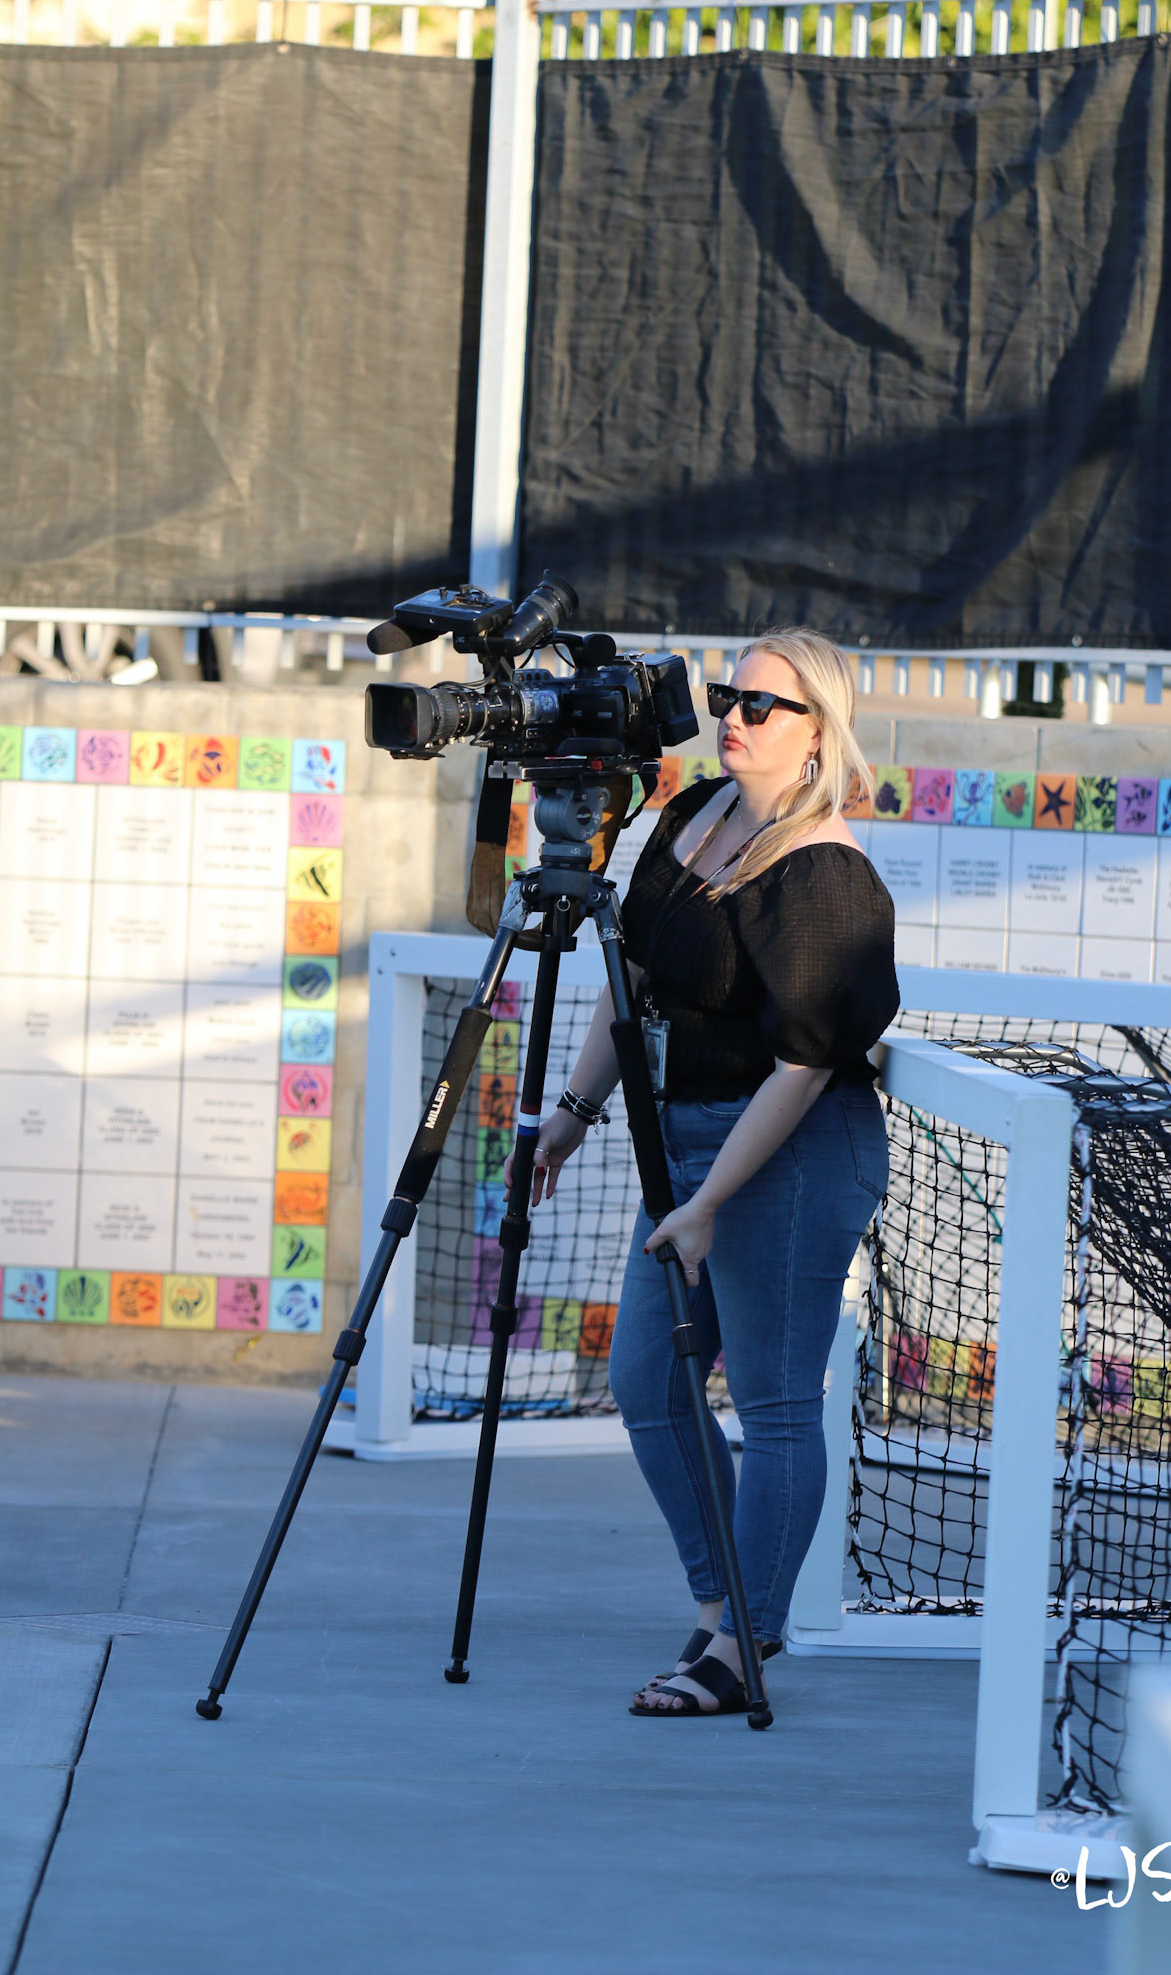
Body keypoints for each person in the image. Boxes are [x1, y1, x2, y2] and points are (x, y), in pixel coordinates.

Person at [506, 629, 899, 1715]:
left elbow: (805, 1064)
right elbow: (631, 972)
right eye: (729, 695)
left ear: (818, 732)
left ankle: (744, 1639)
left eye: (762, 705)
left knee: (774, 1404)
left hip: (788, 1154)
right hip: (680, 1142)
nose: (733, 716)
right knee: (648, 1383)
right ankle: (724, 1598)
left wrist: (711, 1200)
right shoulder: (692, 816)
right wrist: (572, 1114)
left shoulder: (824, 872)